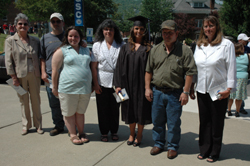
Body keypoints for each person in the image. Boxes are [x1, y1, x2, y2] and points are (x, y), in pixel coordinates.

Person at [145, 20, 197, 158]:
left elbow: (190, 72)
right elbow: (148, 71)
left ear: (176, 33)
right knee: (157, 121)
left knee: (173, 123)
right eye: (164, 32)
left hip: (175, 93)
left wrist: (186, 92)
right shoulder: (155, 50)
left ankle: (173, 146)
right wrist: (147, 88)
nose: (167, 35)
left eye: (170, 33)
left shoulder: (185, 51)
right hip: (157, 92)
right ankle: (158, 143)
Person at [191, 15, 236, 162]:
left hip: (219, 90)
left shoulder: (226, 44)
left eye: (211, 26)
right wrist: (192, 85)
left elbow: (231, 68)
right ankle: (204, 149)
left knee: (216, 122)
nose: (208, 29)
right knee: (204, 121)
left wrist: (229, 89)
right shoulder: (199, 45)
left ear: (216, 27)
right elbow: (196, 68)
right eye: (205, 26)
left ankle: (215, 152)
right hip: (202, 89)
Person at [114, 16, 152, 147]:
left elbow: (151, 68)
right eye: (136, 28)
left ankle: (140, 134)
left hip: (142, 85)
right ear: (132, 29)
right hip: (126, 85)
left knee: (141, 109)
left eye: (141, 29)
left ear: (145, 31)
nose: (139, 31)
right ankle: (131, 133)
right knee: (127, 108)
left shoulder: (148, 48)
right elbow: (118, 66)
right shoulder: (125, 47)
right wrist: (117, 85)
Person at [51, 26, 92, 145]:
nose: (73, 38)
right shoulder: (61, 50)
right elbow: (55, 70)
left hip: (85, 88)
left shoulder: (86, 49)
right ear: (66, 37)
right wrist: (55, 87)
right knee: (69, 112)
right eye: (70, 36)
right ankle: (73, 134)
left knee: (80, 112)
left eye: (76, 36)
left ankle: (82, 132)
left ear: (80, 37)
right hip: (68, 88)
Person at [5, 13, 43, 135]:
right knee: (23, 100)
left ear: (29, 26)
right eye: (20, 24)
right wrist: (13, 77)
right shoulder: (11, 41)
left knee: (36, 100)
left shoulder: (35, 40)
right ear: (15, 26)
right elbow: (8, 60)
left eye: (25, 24)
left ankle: (38, 125)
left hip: (34, 74)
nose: (23, 26)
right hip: (19, 76)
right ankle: (25, 125)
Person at [91, 19, 123, 142]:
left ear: (115, 31)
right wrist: (95, 84)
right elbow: (94, 67)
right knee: (102, 108)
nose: (108, 31)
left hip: (119, 82)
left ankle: (114, 131)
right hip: (102, 80)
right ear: (102, 31)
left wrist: (122, 84)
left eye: (111, 29)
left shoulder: (121, 45)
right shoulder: (97, 45)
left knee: (116, 108)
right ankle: (104, 132)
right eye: (106, 29)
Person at [40, 13, 65, 136]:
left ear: (62, 23)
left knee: (69, 103)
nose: (56, 24)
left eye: (58, 21)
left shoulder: (69, 36)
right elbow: (42, 57)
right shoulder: (45, 38)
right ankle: (59, 126)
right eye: (53, 21)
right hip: (50, 77)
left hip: (67, 76)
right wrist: (43, 72)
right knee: (54, 104)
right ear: (50, 23)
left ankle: (72, 126)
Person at [228, 43, 249, 117]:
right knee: (239, 96)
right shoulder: (247, 56)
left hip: (232, 76)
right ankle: (237, 111)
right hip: (243, 76)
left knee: (231, 95)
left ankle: (229, 110)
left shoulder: (231, 57)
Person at [237, 33, 250, 115]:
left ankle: (240, 107)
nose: (246, 41)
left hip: (244, 73)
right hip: (234, 72)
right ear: (240, 40)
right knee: (231, 92)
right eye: (244, 40)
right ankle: (228, 108)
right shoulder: (234, 48)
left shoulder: (247, 49)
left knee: (241, 91)